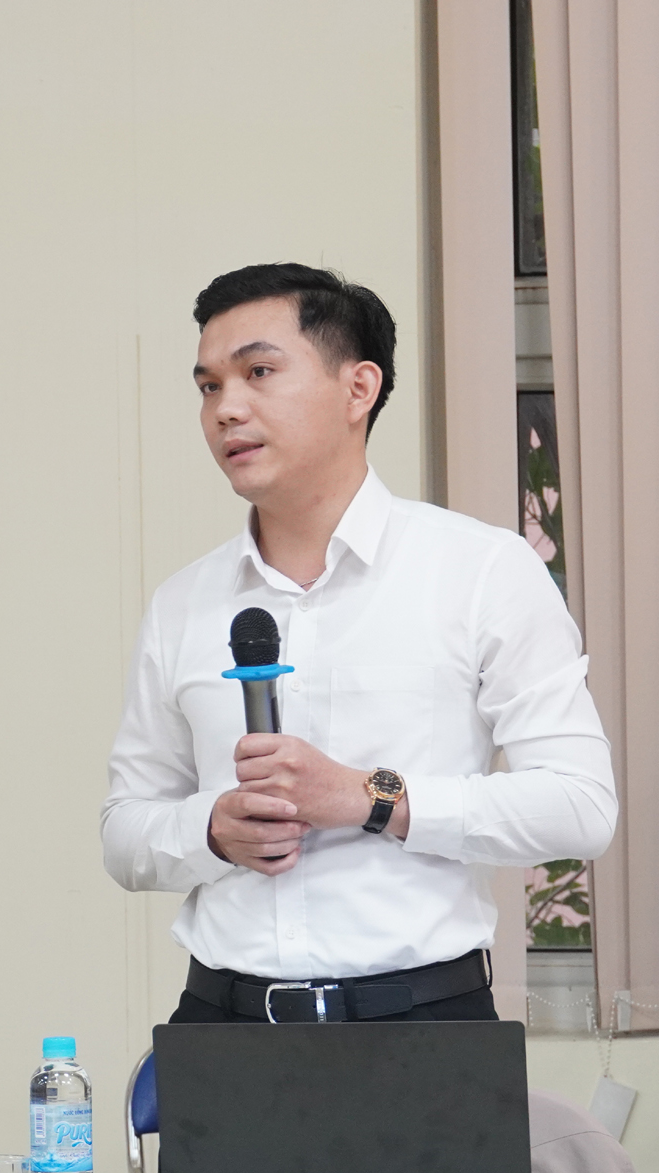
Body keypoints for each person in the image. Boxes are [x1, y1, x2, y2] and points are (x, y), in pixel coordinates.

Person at [101, 263, 616, 1024]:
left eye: (258, 372)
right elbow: (125, 830)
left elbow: (579, 806)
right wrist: (210, 828)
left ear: (358, 388)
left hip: (423, 1024)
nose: (225, 409)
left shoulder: (480, 570)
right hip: (224, 1024)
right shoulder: (184, 602)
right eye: (209, 386)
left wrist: (371, 798)